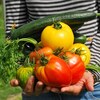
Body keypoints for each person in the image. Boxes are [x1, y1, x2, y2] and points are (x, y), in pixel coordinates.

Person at [4, 0, 100, 100]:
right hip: (39, 81)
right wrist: (23, 70)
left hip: (88, 84)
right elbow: (14, 34)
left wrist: (92, 71)